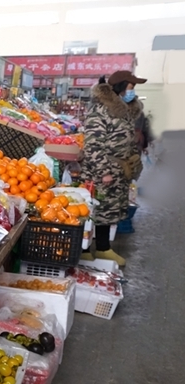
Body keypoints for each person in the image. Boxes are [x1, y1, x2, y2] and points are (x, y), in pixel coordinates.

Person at [80, 70, 146, 266]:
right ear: (120, 87)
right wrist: (104, 172)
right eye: (131, 87)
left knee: (107, 212)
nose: (132, 92)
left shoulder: (124, 111)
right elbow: (93, 145)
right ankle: (83, 250)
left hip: (118, 170)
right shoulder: (100, 110)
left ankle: (103, 248)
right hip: (100, 171)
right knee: (92, 211)